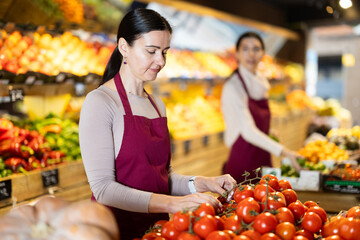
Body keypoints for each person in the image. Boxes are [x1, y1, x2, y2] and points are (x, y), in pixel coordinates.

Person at [79, 8, 236, 240]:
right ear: (124, 47)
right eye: (151, 51)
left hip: (156, 231)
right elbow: (103, 189)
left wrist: (200, 183)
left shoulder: (156, 106)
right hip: (114, 231)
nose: (160, 61)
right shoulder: (100, 102)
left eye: (164, 52)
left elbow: (161, 177)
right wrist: (172, 204)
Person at [221, 31, 302, 183]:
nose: (251, 54)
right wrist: (284, 151)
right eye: (245, 49)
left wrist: (268, 131)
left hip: (263, 156)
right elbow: (247, 130)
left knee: (267, 202)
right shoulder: (233, 86)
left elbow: (255, 121)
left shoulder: (261, 84)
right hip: (243, 160)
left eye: (256, 49)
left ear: (263, 53)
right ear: (237, 54)